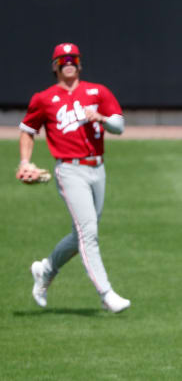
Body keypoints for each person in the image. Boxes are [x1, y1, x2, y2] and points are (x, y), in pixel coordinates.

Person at [17, 43, 130, 313]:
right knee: (88, 233)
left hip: (97, 168)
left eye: (73, 58)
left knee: (80, 233)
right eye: (62, 59)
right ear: (55, 65)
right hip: (69, 169)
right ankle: (106, 293)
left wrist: (101, 117)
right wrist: (24, 161)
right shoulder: (44, 98)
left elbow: (120, 126)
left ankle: (45, 270)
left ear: (80, 64)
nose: (68, 62)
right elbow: (27, 130)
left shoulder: (97, 91)